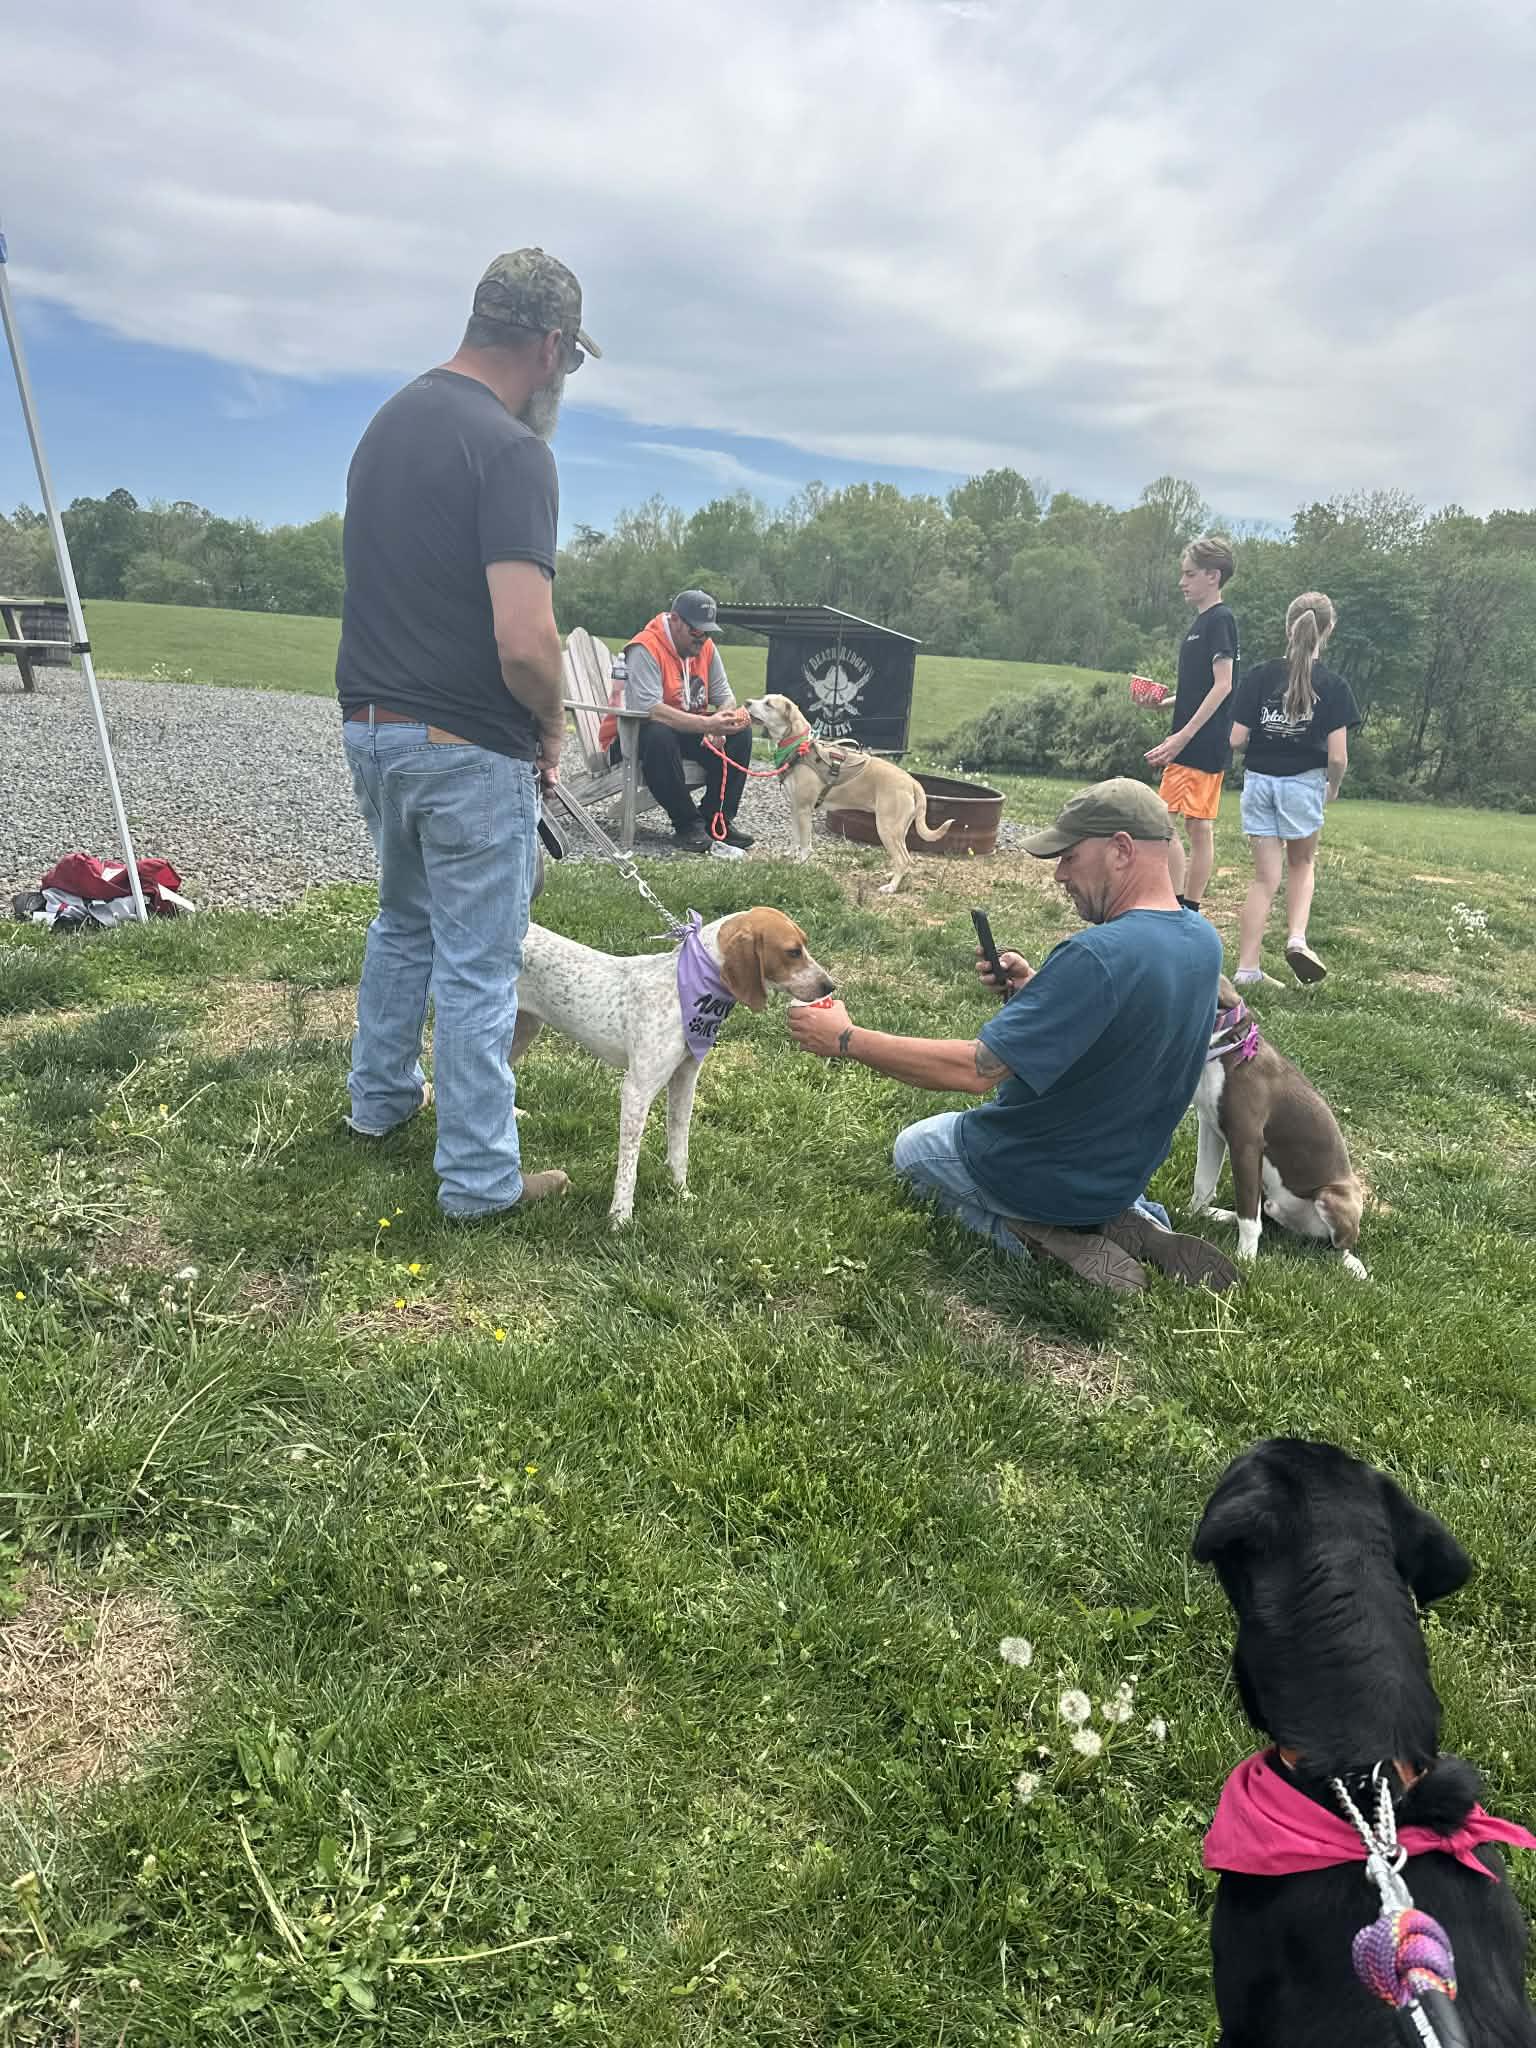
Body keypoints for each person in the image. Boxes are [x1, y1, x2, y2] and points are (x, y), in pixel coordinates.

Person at [335, 248, 600, 1218]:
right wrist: (552, 724)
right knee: (483, 964)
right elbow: (527, 640)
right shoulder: (512, 450)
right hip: (464, 745)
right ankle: (481, 1182)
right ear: (550, 346)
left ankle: (378, 1104)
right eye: (567, 362)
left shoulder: (387, 424)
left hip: (370, 726)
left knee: (402, 923)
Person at [787, 778, 1239, 1292]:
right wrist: (1034, 992)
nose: (1059, 875)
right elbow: (1124, 1037)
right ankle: (1120, 1217)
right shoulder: (1202, 942)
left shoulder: (1097, 956)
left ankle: (1034, 1235)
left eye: (1069, 857)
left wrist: (845, 1038)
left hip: (1034, 1169)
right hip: (1118, 1175)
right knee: (1074, 1178)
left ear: (1120, 849)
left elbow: (976, 1071)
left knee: (913, 1149)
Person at [1228, 591, 1360, 986]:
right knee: (1301, 865)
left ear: (1288, 627)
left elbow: (1235, 739)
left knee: (1263, 877)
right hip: (1302, 784)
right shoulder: (1333, 686)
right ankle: (1297, 939)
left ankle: (1247, 969)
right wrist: (1332, 788)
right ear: (1328, 630)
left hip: (1258, 782)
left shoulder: (1259, 676)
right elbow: (1338, 757)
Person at [599, 590, 754, 851]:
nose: (702, 639)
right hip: (631, 738)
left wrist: (722, 721)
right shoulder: (645, 647)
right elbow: (652, 711)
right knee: (659, 734)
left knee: (740, 731)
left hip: (684, 731)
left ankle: (717, 820)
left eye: (708, 632)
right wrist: (706, 725)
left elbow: (725, 696)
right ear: (674, 620)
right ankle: (687, 825)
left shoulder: (706, 648)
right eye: (696, 631)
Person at [1145, 534, 1239, 915]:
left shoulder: (1220, 620)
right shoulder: (1202, 623)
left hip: (1199, 745)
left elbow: (1224, 685)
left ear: (1212, 576)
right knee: (1187, 828)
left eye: (1189, 574)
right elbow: (1198, 688)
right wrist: (1163, 704)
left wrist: (1182, 736)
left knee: (1164, 825)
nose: (1182, 582)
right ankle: (1184, 906)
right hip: (1192, 742)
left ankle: (1182, 905)